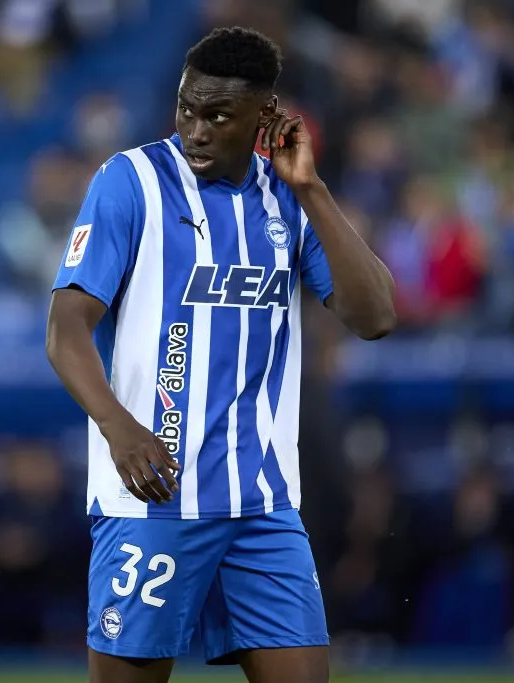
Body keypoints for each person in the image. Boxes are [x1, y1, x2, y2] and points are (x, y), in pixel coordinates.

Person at [45, 26, 397, 683]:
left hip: (263, 504)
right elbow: (65, 329)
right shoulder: (131, 182)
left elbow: (375, 315)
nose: (196, 130)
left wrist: (312, 189)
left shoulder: (288, 202)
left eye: (217, 115)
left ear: (265, 117)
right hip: (153, 498)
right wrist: (120, 429)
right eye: (186, 109)